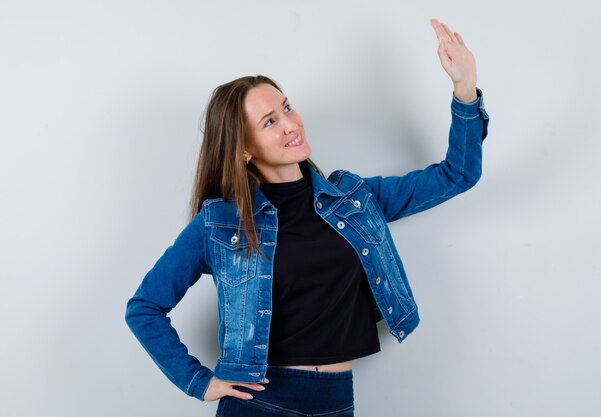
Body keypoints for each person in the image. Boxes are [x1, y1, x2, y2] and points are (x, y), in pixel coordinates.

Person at [125, 18, 490, 417]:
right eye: (270, 122)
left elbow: (458, 174)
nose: (290, 124)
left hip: (336, 401)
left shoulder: (355, 199)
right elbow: (144, 307)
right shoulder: (221, 224)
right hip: (260, 403)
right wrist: (199, 381)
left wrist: (464, 89)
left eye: (286, 108)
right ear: (244, 149)